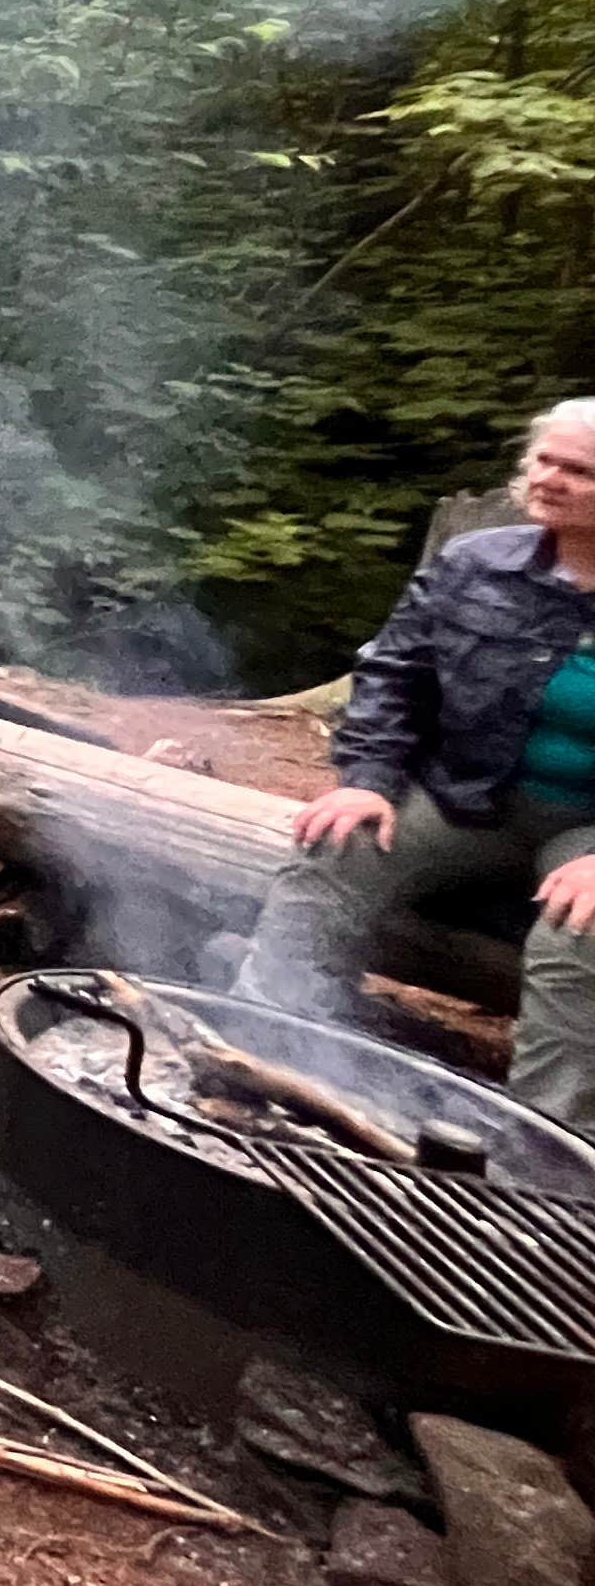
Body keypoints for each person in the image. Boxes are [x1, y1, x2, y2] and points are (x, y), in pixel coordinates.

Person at [245, 397, 595, 1131]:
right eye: (544, 460)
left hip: (586, 829)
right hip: (468, 796)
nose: (549, 478)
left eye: (580, 471)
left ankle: (546, 1152)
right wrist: (368, 780)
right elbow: (394, 674)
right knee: (334, 849)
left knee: (584, 934)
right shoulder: (476, 563)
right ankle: (270, 1061)